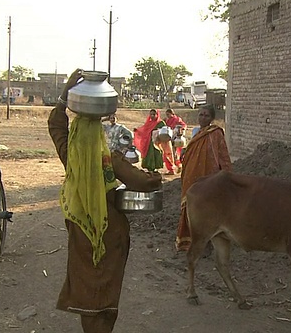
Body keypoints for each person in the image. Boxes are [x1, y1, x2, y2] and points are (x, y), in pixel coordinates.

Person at [48, 68, 162, 333]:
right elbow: (143, 182)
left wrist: (66, 94)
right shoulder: (110, 160)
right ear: (99, 135)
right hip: (111, 234)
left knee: (87, 289)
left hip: (81, 232)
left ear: (76, 134)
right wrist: (155, 176)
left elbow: (56, 125)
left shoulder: (70, 156)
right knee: (108, 290)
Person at [175, 105, 232, 251]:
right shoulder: (197, 133)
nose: (203, 118)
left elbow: (223, 155)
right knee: (190, 208)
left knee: (206, 210)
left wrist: (227, 175)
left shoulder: (216, 133)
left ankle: (206, 243)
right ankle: (189, 241)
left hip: (208, 179)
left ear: (212, 118)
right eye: (201, 115)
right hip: (191, 178)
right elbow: (192, 151)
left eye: (206, 115)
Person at [165, 108, 187, 173]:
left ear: (172, 113)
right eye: (167, 115)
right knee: (171, 153)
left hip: (176, 139)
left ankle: (177, 166)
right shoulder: (167, 120)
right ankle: (175, 167)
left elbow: (184, 125)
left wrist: (181, 129)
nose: (167, 116)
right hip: (169, 138)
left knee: (175, 153)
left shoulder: (177, 119)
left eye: (168, 114)